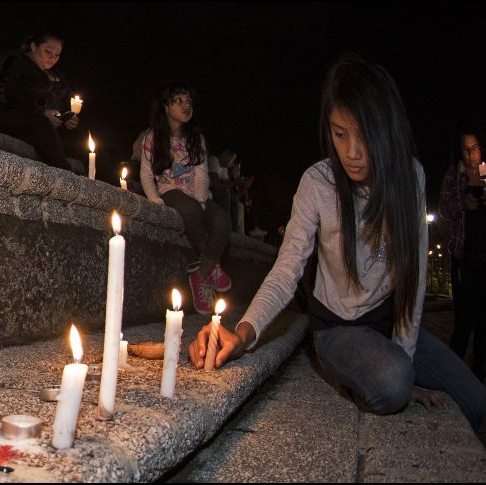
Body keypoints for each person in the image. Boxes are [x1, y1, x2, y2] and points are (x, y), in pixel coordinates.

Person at [188, 54, 486, 430]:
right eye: (339, 133)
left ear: (385, 128)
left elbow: (415, 276)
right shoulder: (318, 184)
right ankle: (360, 376)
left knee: (476, 402)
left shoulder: (409, 177)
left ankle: (390, 371)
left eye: (364, 134)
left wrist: (405, 358)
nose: (352, 152)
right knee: (392, 384)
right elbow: (287, 269)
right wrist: (243, 333)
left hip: (388, 323)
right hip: (338, 329)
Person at [139, 82, 233, 315]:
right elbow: (146, 173)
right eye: (178, 101)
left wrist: (202, 199)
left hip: (197, 194)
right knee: (190, 211)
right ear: (165, 106)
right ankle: (212, 267)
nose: (185, 105)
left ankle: (201, 275)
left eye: (188, 101)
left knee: (222, 220)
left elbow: (201, 173)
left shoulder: (196, 138)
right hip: (171, 191)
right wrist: (154, 199)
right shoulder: (153, 137)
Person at [0, 33, 80, 173]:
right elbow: (4, 95)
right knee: (39, 123)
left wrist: (65, 117)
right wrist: (42, 113)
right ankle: (64, 170)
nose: (52, 57)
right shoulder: (14, 61)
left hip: (30, 123)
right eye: (48, 51)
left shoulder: (50, 75)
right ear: (33, 46)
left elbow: (50, 103)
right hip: (0, 115)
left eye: (57, 55)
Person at [439, 120, 486, 381]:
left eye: (475, 148)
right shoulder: (453, 174)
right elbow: (444, 209)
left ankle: (478, 379)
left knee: (483, 324)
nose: (471, 154)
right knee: (464, 321)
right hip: (463, 258)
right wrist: (461, 203)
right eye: (466, 149)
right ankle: (452, 378)